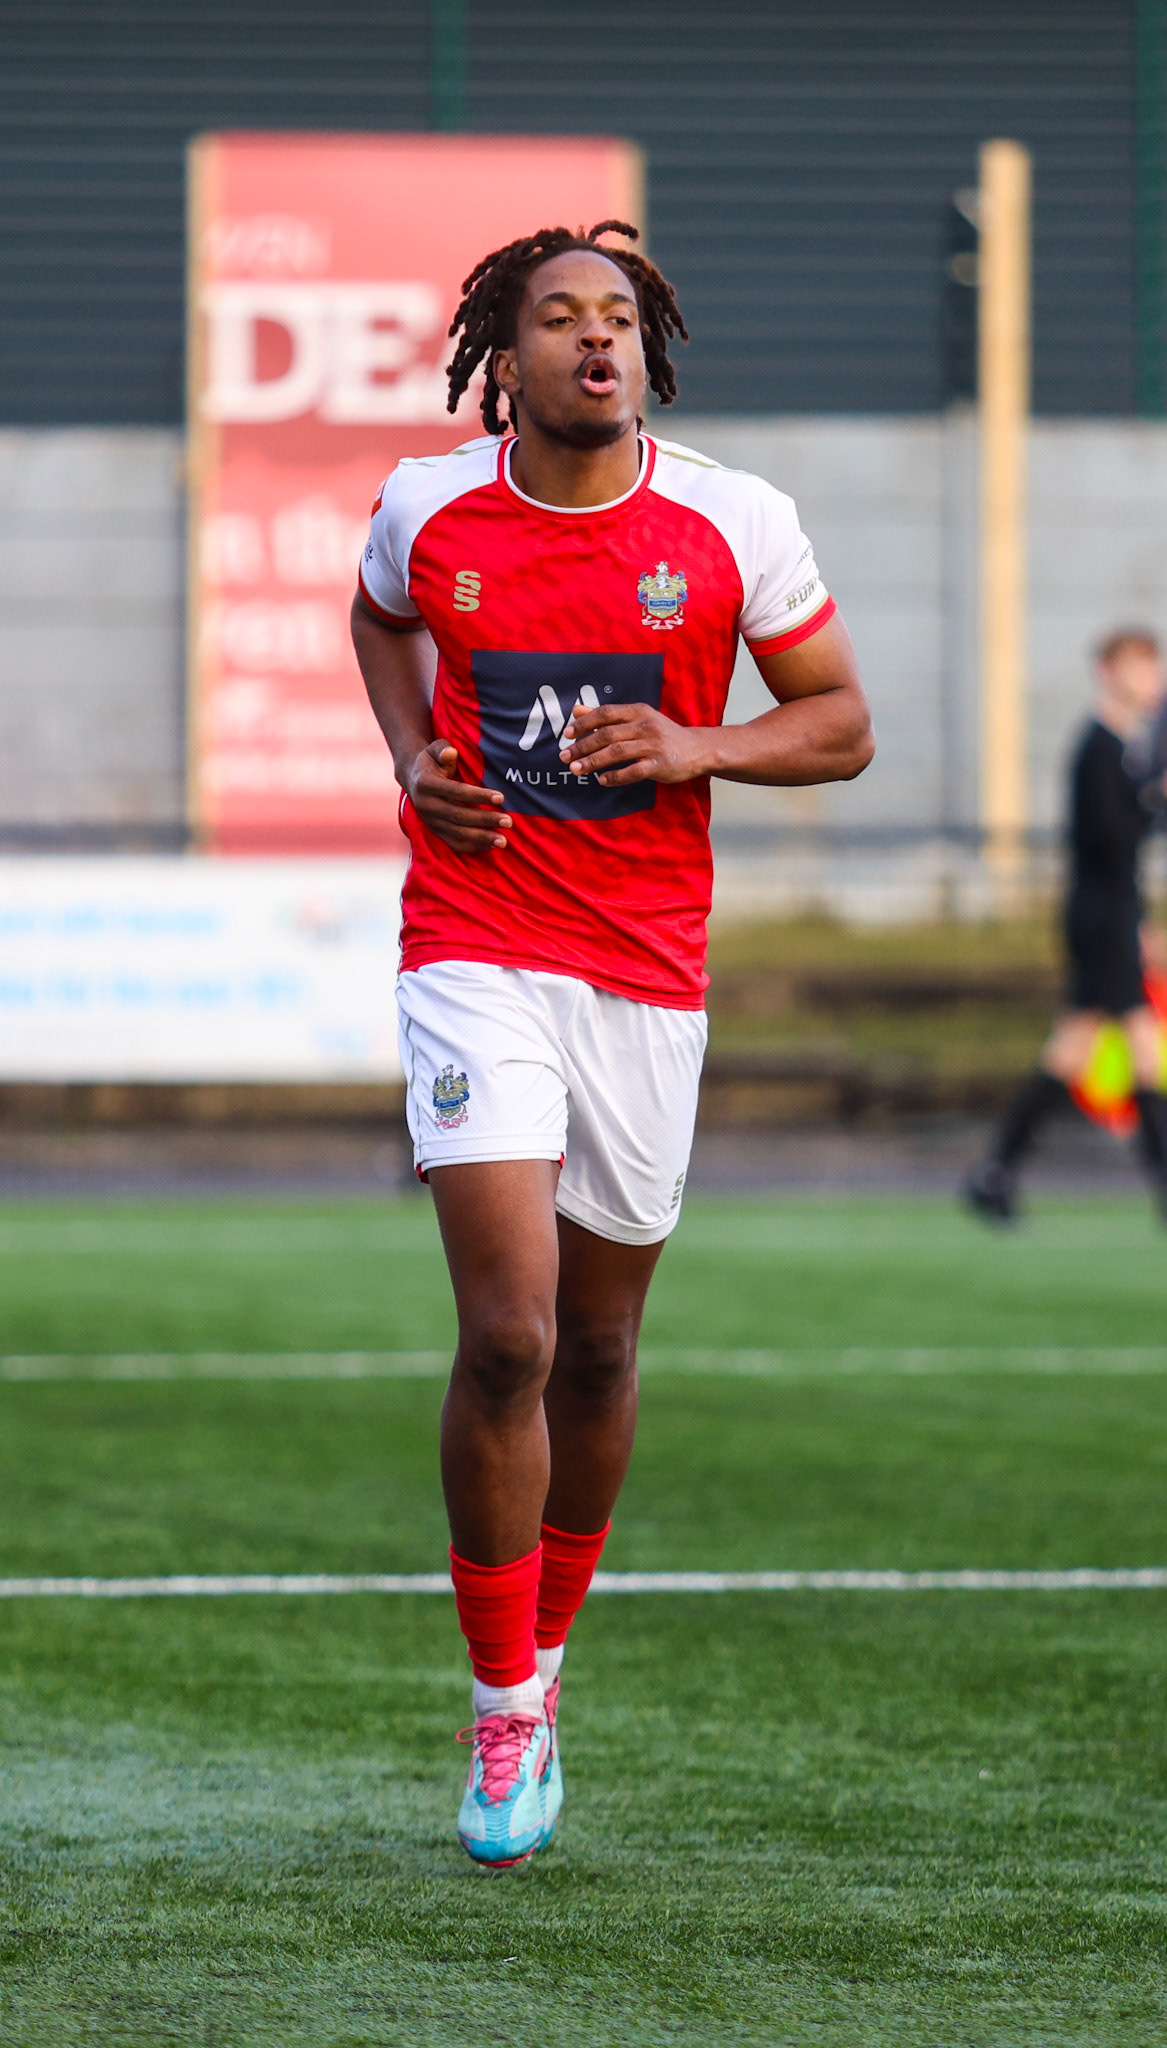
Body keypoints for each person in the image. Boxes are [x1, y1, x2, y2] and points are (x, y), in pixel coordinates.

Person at [351, 220, 873, 1869]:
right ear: (504, 358)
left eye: (620, 318)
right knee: (509, 1332)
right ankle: (501, 1705)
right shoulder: (428, 506)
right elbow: (378, 621)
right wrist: (410, 764)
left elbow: (840, 723)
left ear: (648, 352)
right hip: (472, 946)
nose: (596, 338)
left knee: (595, 1348)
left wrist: (696, 741)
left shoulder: (733, 521)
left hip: (644, 971)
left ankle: (550, 1655)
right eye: (560, 316)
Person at [966, 629, 1167, 1223]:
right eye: (1139, 667)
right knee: (1141, 1046)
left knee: (1074, 1048)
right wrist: (1153, 799)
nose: (1150, 680)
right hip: (1102, 918)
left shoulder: (1123, 749)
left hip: (1112, 914)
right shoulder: (1099, 748)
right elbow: (1109, 843)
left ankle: (996, 1169)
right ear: (1109, 672)